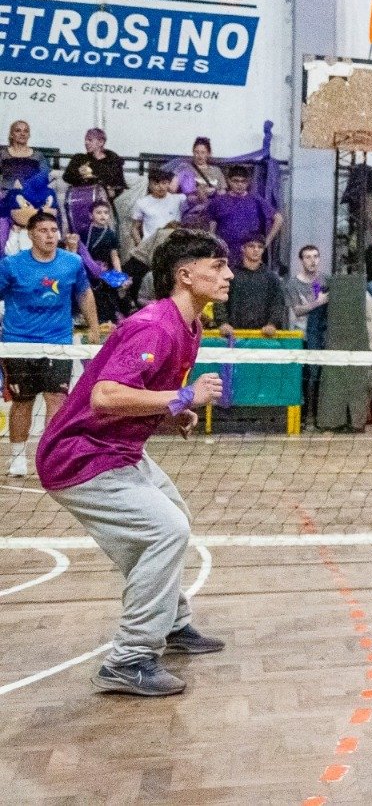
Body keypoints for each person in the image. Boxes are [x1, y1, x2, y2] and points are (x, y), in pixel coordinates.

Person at [36, 228, 232, 696]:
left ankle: (171, 623)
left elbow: (141, 394)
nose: (228, 275)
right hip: (80, 455)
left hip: (118, 449)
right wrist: (182, 396)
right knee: (166, 530)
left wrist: (171, 411)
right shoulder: (154, 326)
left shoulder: (190, 326)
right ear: (185, 275)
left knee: (170, 519)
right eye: (217, 266)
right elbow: (105, 396)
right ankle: (128, 660)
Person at [1, 211, 100, 477]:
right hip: (18, 343)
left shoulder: (72, 262)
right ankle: (18, 458)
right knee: (23, 401)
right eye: (43, 231)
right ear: (31, 235)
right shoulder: (11, 265)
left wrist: (93, 327)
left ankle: (51, 457)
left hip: (58, 342)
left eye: (54, 230)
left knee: (57, 398)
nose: (50, 236)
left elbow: (84, 293)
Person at [284, 244, 330, 415]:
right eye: (308, 257)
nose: (313, 261)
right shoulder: (293, 284)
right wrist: (318, 302)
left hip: (322, 335)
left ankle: (318, 413)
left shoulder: (326, 280)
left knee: (320, 375)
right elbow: (297, 310)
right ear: (301, 261)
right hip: (302, 335)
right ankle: (303, 415)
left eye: (316, 256)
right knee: (305, 376)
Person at [208, 165, 281, 266]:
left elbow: (278, 219)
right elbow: (212, 225)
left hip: (249, 254)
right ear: (229, 181)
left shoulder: (256, 200)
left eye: (243, 181)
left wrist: (265, 243)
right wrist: (212, 246)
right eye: (236, 181)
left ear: (248, 182)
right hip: (225, 253)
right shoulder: (218, 201)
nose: (240, 184)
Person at [216, 237, 286, 338]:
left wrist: (272, 324)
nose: (256, 250)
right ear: (242, 248)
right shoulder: (230, 275)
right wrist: (223, 323)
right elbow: (219, 299)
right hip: (233, 334)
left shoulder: (271, 277)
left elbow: (278, 303)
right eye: (251, 246)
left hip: (264, 336)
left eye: (260, 247)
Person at [84, 200, 129, 320]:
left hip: (105, 273)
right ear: (90, 215)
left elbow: (114, 256)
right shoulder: (84, 232)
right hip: (86, 272)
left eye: (106, 212)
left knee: (110, 301)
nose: (103, 215)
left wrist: (119, 275)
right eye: (98, 212)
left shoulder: (111, 234)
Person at [64, 127, 128, 200]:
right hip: (81, 198)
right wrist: (79, 173)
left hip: (102, 201)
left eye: (90, 140)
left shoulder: (113, 162)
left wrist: (113, 192)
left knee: (101, 206)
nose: (86, 143)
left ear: (101, 142)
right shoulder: (79, 158)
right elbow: (66, 177)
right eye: (85, 140)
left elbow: (120, 185)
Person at [130, 169, 184, 250]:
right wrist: (140, 246)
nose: (161, 187)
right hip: (150, 246)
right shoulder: (141, 202)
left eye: (164, 183)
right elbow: (134, 228)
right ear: (149, 185)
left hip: (174, 245)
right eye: (156, 184)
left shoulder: (179, 199)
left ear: (169, 183)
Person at [0, 119, 47, 190]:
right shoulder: (3, 154)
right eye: (18, 131)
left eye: (26, 131)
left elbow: (45, 176)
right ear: (11, 134)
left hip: (30, 193)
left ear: (29, 135)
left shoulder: (38, 156)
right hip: (6, 192)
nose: (22, 134)